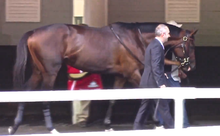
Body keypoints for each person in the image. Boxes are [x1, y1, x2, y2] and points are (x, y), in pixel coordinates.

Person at [133, 24, 174, 130]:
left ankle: (136, 129)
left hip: (147, 82)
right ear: (163, 34)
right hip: (153, 83)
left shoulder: (153, 44)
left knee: (144, 108)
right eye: (168, 33)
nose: (169, 36)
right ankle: (172, 129)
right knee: (164, 108)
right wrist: (161, 83)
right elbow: (155, 66)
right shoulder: (157, 46)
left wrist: (162, 72)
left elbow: (153, 65)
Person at [155, 20, 190, 128]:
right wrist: (177, 63)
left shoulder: (175, 44)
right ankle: (182, 124)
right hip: (168, 75)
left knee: (165, 101)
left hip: (173, 75)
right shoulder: (165, 45)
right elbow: (163, 60)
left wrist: (181, 70)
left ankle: (161, 123)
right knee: (170, 100)